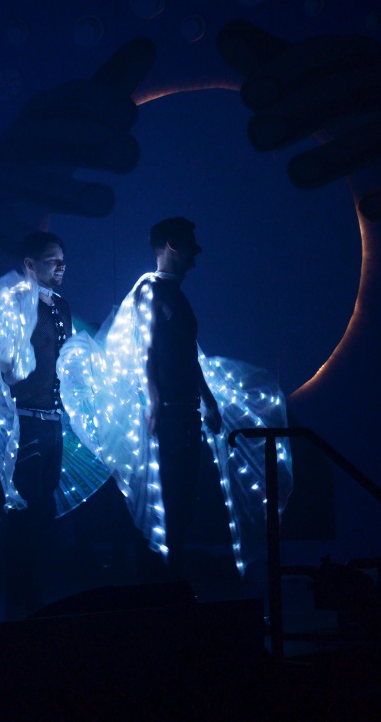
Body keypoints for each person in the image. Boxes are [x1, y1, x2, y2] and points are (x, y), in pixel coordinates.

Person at [0, 231, 73, 618]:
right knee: (22, 512)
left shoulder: (60, 306)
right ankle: (18, 601)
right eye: (51, 260)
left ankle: (35, 596)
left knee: (42, 512)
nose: (60, 267)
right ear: (30, 265)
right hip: (23, 422)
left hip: (51, 421)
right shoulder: (13, 300)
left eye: (62, 260)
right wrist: (8, 366)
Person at [141, 217, 221, 577]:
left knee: (181, 500)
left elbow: (188, 354)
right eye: (190, 243)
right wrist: (154, 400)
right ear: (173, 245)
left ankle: (169, 581)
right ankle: (161, 584)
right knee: (172, 500)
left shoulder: (173, 293)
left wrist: (208, 399)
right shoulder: (153, 290)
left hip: (183, 412)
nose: (197, 251)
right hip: (171, 415)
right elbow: (143, 348)